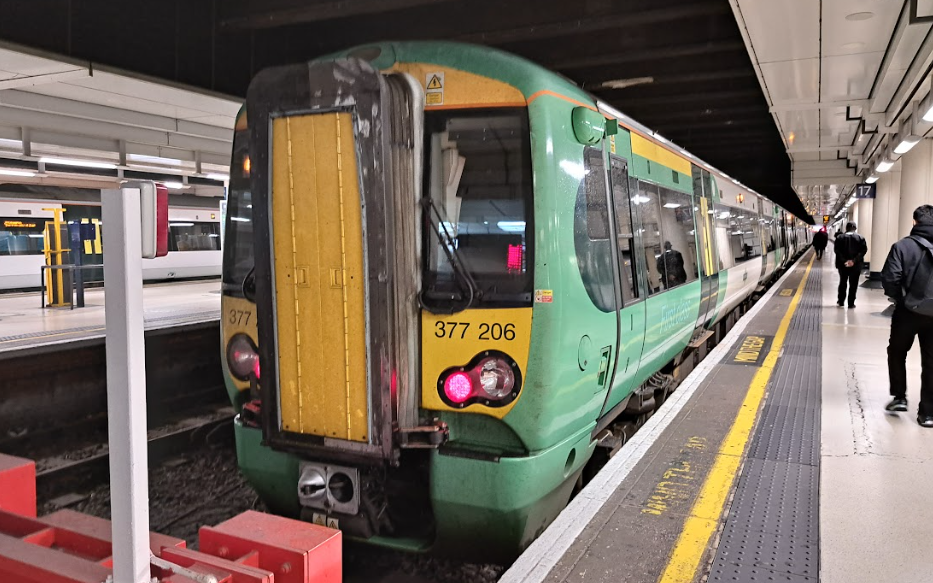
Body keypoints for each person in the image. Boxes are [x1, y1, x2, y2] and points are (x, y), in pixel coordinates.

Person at [881, 204, 933, 428]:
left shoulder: (902, 246)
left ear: (914, 222)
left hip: (907, 313)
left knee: (897, 351)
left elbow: (890, 278)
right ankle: (928, 414)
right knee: (931, 361)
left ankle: (900, 397)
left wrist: (901, 301)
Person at [833, 222, 867, 308]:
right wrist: (854, 261)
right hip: (856, 265)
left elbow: (837, 251)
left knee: (842, 282)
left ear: (846, 228)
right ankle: (851, 303)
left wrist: (845, 261)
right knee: (853, 284)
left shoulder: (839, 237)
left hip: (842, 265)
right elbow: (863, 251)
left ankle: (841, 301)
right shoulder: (860, 238)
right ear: (855, 228)